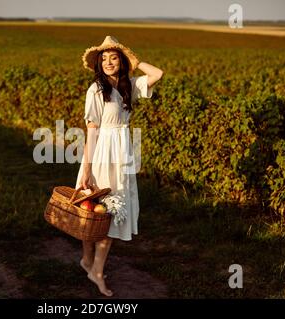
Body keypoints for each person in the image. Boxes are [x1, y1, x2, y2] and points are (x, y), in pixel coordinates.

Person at [75, 36, 164, 297]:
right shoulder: (96, 90)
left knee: (112, 212)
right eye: (103, 58)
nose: (108, 62)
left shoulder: (129, 86)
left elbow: (158, 73)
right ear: (98, 64)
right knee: (94, 211)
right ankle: (89, 261)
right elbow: (91, 131)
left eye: (114, 57)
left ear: (122, 62)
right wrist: (87, 168)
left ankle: (95, 269)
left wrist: (136, 62)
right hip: (102, 151)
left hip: (122, 151)